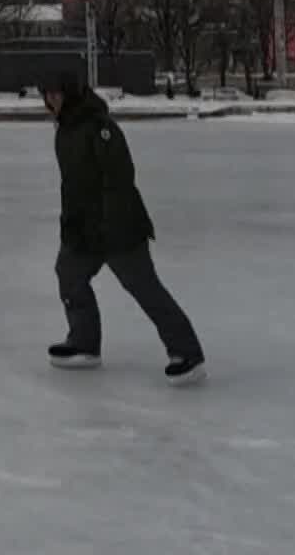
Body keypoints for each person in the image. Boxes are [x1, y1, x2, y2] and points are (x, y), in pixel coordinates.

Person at [41, 70, 206, 385]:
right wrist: (71, 224)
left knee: (144, 288)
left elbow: (119, 178)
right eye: (46, 94)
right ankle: (84, 343)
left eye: (56, 93)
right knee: (69, 274)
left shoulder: (99, 127)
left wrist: (106, 224)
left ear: (71, 93)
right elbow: (73, 185)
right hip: (84, 229)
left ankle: (188, 353)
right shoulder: (66, 129)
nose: (51, 100)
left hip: (118, 227)